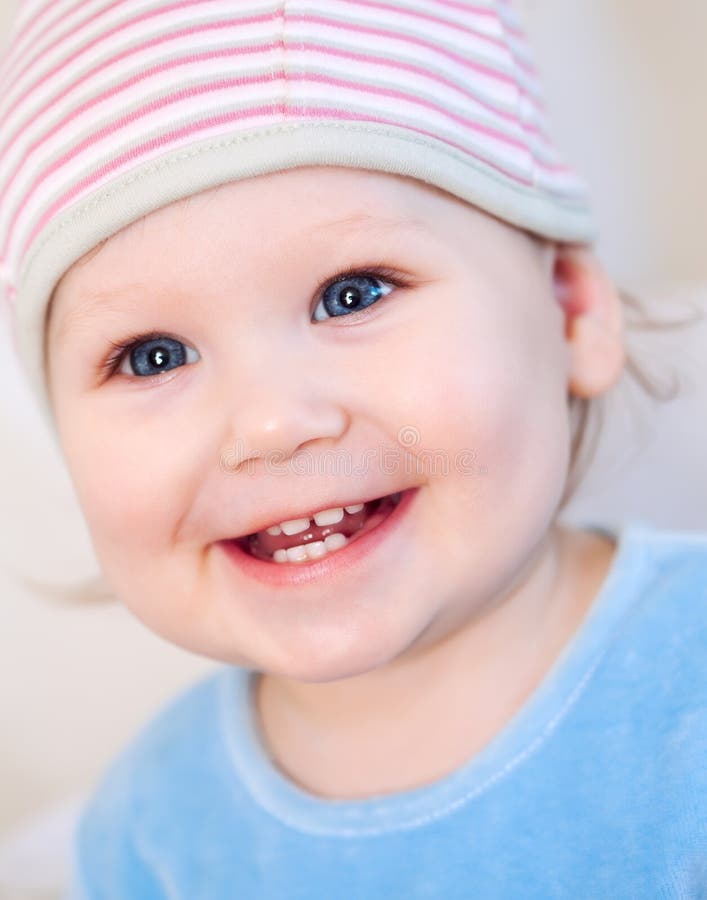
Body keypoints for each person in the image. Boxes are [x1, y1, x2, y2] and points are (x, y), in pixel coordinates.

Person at [1, 1, 705, 897]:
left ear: (569, 307)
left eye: (352, 295)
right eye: (153, 357)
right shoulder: (150, 829)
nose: (269, 424)